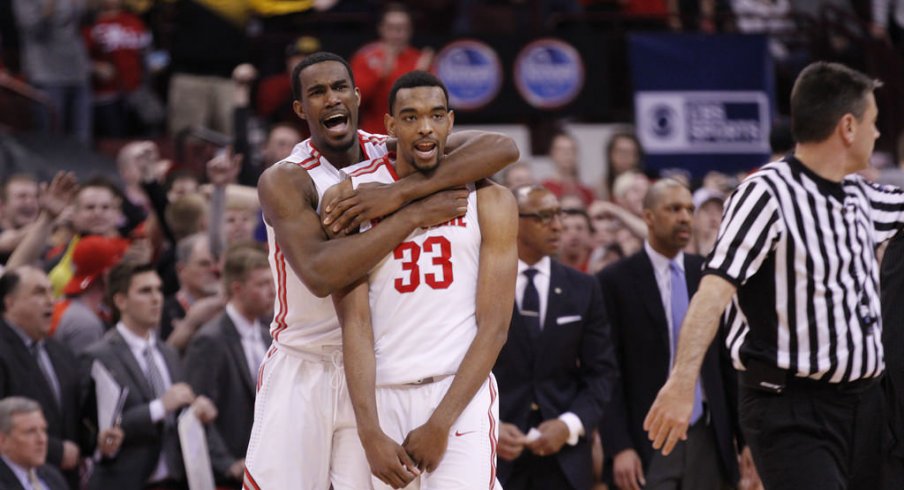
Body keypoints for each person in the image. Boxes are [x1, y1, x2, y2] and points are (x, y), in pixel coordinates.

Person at [244, 52, 518, 489]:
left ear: (356, 95)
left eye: (339, 88)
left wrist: (399, 194)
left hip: (377, 368)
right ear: (300, 109)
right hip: (307, 362)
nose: (331, 99)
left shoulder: (388, 147)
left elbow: (501, 148)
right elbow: (320, 275)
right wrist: (412, 215)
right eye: (317, 92)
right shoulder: (287, 179)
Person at [644, 61, 900, 489]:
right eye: (874, 122)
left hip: (865, 405)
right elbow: (713, 291)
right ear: (848, 127)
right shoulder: (766, 194)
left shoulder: (861, 196)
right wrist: (682, 379)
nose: (878, 134)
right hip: (790, 407)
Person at [332, 70, 517, 489]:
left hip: (458, 393)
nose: (426, 127)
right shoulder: (354, 196)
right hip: (382, 393)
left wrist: (441, 423)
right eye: (411, 118)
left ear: (451, 123)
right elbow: (355, 325)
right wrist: (368, 431)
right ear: (391, 127)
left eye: (436, 116)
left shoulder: (491, 200)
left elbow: (495, 328)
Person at [598, 179, 740, 490]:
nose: (685, 217)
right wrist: (619, 445)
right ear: (648, 216)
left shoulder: (709, 274)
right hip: (648, 432)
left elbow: (727, 363)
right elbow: (608, 371)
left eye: (689, 209)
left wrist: (744, 441)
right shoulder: (614, 280)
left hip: (708, 433)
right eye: (674, 209)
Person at [494, 185, 617, 490]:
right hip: (496, 453)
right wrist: (490, 426)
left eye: (559, 215)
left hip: (566, 460)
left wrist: (570, 424)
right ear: (513, 220)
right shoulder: (484, 283)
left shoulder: (584, 287)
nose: (558, 225)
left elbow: (602, 372)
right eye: (543, 217)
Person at [83, 261, 218, 489]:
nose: (156, 298)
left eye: (158, 289)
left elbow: (176, 416)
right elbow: (100, 432)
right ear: (120, 301)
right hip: (126, 481)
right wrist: (160, 407)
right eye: (145, 291)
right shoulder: (99, 356)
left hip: (174, 480)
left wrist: (197, 411)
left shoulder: (168, 353)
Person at [184, 245, 273, 488]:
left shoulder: (269, 337)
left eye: (272, 282)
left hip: (266, 467)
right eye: (262, 284)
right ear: (237, 289)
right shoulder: (210, 340)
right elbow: (196, 411)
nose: (272, 291)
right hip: (229, 476)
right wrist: (226, 464)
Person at [0, 267, 87, 487]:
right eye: (39, 293)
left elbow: (76, 414)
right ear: (9, 303)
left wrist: (97, 438)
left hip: (63, 479)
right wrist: (56, 451)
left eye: (51, 292)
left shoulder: (60, 351)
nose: (51, 301)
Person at [350, 3, 433, 134]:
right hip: (374, 136)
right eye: (392, 28)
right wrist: (380, 77)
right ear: (381, 29)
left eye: (402, 28)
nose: (397, 33)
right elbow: (354, 101)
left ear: (410, 30)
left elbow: (433, 104)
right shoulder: (365, 58)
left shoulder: (420, 60)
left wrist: (422, 78)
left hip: (412, 135)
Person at [0, 397, 68, 490]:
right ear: (3, 440)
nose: (42, 440)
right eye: (30, 432)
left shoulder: (52, 476)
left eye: (43, 430)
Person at [541, 132, 596, 207]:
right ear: (552, 153)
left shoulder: (586, 191)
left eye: (571, 150)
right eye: (561, 149)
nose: (567, 154)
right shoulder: (543, 189)